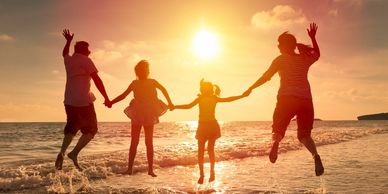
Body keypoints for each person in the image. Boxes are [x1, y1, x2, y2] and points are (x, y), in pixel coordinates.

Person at [243, 23, 324, 176]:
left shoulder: (280, 59)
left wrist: (251, 88)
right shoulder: (304, 58)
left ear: (285, 45)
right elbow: (317, 54)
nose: (278, 46)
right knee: (305, 136)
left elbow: (265, 77)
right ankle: (315, 156)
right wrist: (313, 38)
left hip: (286, 99)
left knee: (278, 130)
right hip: (306, 101)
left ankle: (275, 143)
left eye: (279, 44)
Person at [105, 60, 173, 177]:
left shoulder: (138, 83)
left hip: (140, 112)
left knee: (136, 141)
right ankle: (148, 169)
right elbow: (164, 90)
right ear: (147, 71)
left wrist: (111, 102)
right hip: (145, 113)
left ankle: (134, 169)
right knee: (146, 142)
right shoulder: (147, 82)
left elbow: (123, 95)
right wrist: (170, 103)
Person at [172, 79, 248, 184]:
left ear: (206, 89)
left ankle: (207, 174)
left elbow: (229, 99)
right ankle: (206, 174)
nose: (202, 90)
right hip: (209, 126)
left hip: (206, 126)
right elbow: (188, 106)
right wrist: (175, 106)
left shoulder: (206, 98)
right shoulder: (210, 98)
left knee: (203, 151)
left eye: (203, 88)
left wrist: (242, 96)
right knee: (208, 150)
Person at [55, 29, 111, 171]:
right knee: (92, 129)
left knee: (72, 127)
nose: (89, 51)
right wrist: (106, 97)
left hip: (69, 100)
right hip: (83, 100)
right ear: (84, 50)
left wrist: (68, 42)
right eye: (88, 48)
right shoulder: (86, 60)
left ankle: (62, 151)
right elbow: (97, 80)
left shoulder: (70, 60)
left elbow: (64, 54)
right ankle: (74, 153)